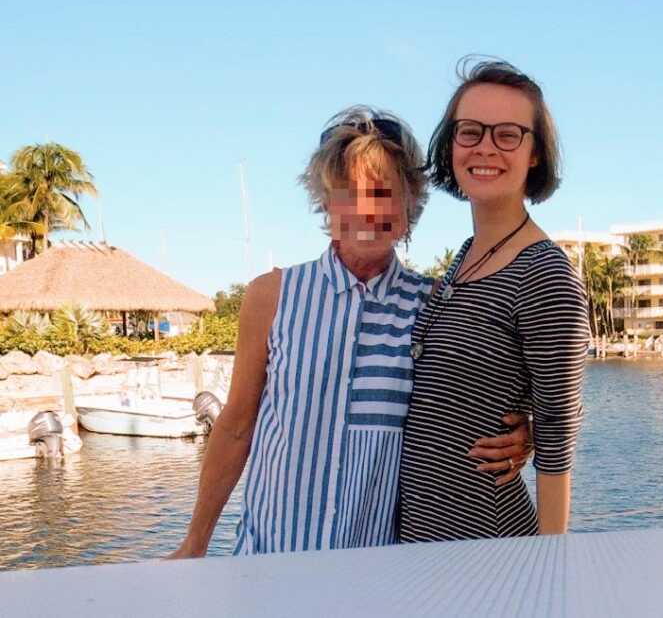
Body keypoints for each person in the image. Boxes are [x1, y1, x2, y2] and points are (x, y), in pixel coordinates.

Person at [170, 106, 531, 558]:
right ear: (325, 201)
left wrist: (524, 431)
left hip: (377, 568)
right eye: (349, 193)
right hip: (269, 557)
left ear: (408, 206)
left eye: (382, 193)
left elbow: (476, 400)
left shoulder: (436, 302)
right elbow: (237, 426)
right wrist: (196, 540)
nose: (366, 210)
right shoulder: (272, 296)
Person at [399, 60, 589, 542]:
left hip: (488, 544)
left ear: (535, 154)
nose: (485, 147)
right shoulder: (467, 255)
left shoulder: (543, 272)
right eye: (470, 131)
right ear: (451, 144)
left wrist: (552, 558)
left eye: (508, 134)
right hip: (422, 542)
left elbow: (557, 431)